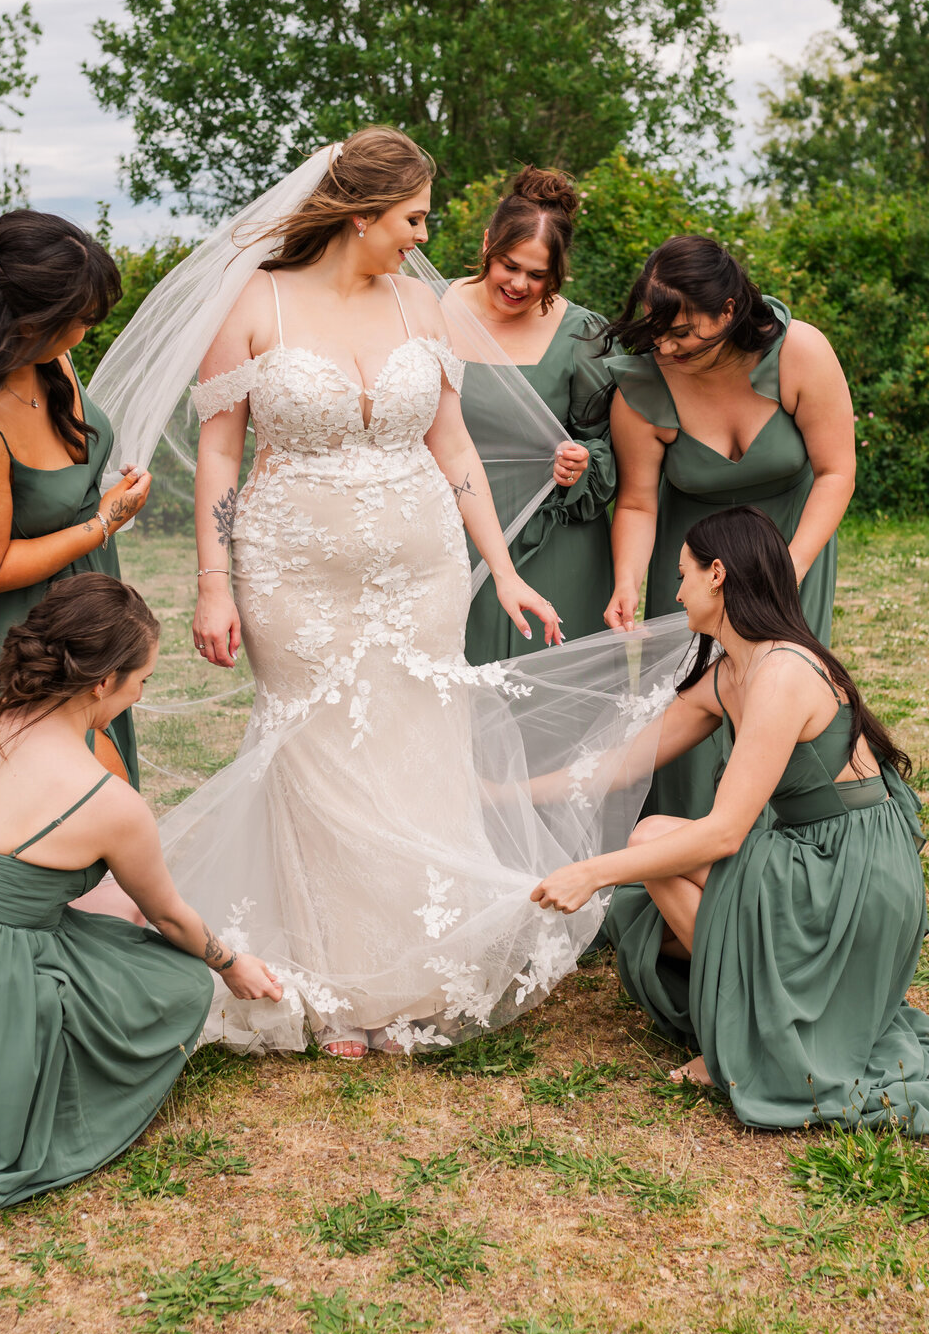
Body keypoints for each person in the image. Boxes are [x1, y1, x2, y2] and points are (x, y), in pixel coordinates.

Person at [90, 127, 692, 1062]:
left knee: (417, 744)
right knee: (317, 748)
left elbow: (451, 450)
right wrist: (215, 583)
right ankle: (331, 978)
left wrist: (503, 564)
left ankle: (413, 970)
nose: (423, 236)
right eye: (411, 217)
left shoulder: (424, 308)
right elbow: (219, 454)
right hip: (292, 567)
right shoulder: (256, 303)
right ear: (362, 214)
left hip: (423, 567)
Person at [0, 575, 281, 1247]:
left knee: (100, 928)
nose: (140, 696)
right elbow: (173, 919)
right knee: (177, 982)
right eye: (141, 682)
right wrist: (231, 965)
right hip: (0, 984)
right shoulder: (109, 804)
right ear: (102, 684)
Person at [532, 507, 929, 1140]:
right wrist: (507, 793)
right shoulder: (733, 673)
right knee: (652, 902)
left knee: (650, 843)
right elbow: (621, 763)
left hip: (853, 873)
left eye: (683, 573)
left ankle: (747, 1044)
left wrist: (591, 872)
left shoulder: (781, 672)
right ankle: (757, 1018)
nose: (677, 589)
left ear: (717, 575)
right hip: (811, 853)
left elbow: (724, 833)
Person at [0, 209, 152, 837]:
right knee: (6, 779)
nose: (86, 329)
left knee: (88, 770)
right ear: (25, 319)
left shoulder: (52, 362)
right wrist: (103, 522)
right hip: (0, 612)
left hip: (78, 593)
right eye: (77, 317)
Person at [599, 235, 856, 820]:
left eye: (684, 332)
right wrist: (627, 580)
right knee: (692, 701)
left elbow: (837, 471)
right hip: (697, 566)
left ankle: (779, 855)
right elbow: (638, 504)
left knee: (776, 694)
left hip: (791, 550)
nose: (665, 344)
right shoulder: (642, 387)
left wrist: (787, 566)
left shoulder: (800, 353)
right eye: (656, 328)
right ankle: (684, 853)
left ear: (730, 311)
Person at [444, 167, 616, 664]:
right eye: (509, 265)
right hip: (445, 533)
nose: (519, 284)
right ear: (486, 245)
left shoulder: (583, 336)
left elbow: (606, 444)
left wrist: (582, 461)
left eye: (538, 275)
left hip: (553, 542)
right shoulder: (426, 310)